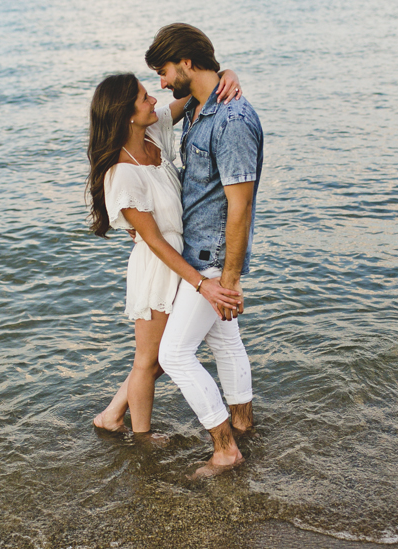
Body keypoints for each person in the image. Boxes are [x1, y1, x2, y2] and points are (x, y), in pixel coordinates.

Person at [86, 71, 244, 438]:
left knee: (158, 360)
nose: (153, 100)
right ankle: (141, 436)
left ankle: (111, 415)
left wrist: (226, 75)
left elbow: (193, 93)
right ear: (126, 113)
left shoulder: (152, 131)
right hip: (158, 267)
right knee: (148, 361)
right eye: (144, 98)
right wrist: (201, 283)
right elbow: (154, 241)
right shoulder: (121, 174)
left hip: (182, 257)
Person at [146, 23, 263, 478]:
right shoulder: (200, 106)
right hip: (200, 250)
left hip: (211, 258)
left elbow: (241, 206)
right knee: (224, 341)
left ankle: (225, 449)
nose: (160, 83)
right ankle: (243, 423)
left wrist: (227, 280)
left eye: (163, 71)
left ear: (186, 63)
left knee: (174, 355)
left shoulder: (231, 121)